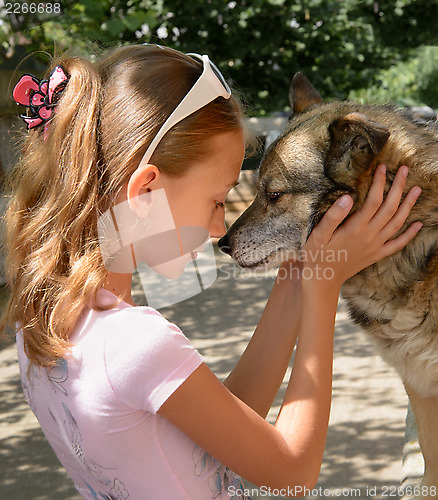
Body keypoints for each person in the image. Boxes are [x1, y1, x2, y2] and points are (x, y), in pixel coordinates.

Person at [0, 43, 423, 500]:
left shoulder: (44, 323)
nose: (221, 227)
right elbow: (291, 473)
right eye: (218, 200)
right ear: (146, 192)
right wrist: (323, 291)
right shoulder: (138, 342)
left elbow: (223, 423)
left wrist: (299, 273)